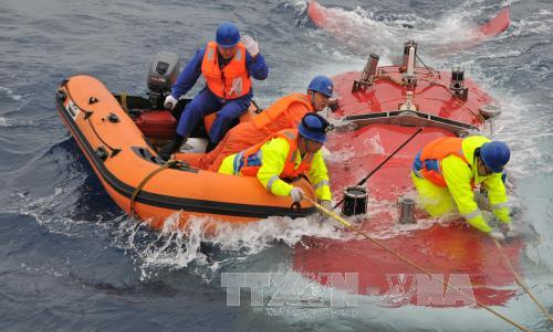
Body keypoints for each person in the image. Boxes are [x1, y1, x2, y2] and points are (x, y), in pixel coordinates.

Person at [173, 75, 335, 171]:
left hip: (241, 133)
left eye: (328, 97)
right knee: (213, 170)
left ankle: (173, 158)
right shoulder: (301, 108)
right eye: (323, 96)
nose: (325, 101)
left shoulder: (301, 103)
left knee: (207, 161)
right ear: (310, 93)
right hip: (245, 140)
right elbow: (304, 139)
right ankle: (172, 168)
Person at [158, 22, 269, 160]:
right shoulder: (205, 54)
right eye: (224, 48)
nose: (228, 52)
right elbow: (189, 74)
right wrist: (175, 95)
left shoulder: (246, 54)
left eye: (231, 48)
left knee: (225, 115)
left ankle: (213, 146)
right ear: (218, 44)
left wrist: (256, 56)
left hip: (239, 98)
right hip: (212, 94)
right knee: (193, 107)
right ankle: (177, 140)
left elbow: (262, 75)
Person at [219, 113, 332, 208]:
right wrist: (289, 190)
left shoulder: (313, 152)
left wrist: (326, 199)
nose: (321, 145)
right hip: (232, 171)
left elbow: (320, 176)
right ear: (303, 140)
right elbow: (267, 176)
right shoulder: (280, 147)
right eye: (317, 142)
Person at [411, 135, 512, 240]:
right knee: (445, 215)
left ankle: (454, 188)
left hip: (452, 167)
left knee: (462, 195)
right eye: (488, 171)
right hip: (427, 172)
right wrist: (488, 229)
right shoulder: (457, 165)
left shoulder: (490, 155)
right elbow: (467, 208)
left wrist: (507, 222)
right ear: (480, 161)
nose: (490, 174)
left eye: (493, 171)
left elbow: (498, 197)